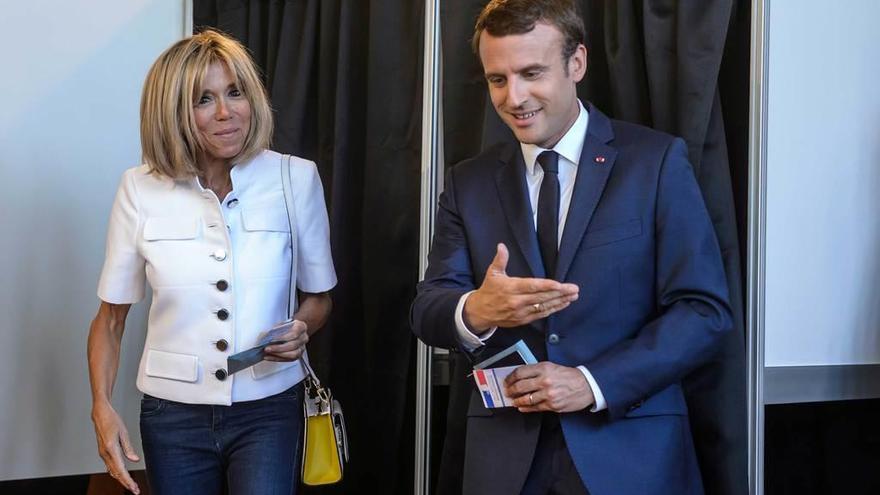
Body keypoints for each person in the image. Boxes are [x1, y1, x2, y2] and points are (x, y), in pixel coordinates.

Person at [410, 1, 733, 494]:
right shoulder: (468, 182)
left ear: (576, 64)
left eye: (531, 73)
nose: (514, 97)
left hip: (630, 454)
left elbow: (703, 311)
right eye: (498, 79)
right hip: (504, 463)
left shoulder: (656, 162)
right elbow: (428, 309)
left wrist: (590, 382)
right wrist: (475, 309)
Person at [87, 30, 336, 495]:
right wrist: (101, 407)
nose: (226, 112)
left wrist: (303, 326)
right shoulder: (139, 189)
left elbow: (318, 298)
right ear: (174, 112)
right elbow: (111, 319)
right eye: (204, 99)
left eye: (235, 92)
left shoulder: (295, 179)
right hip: (171, 415)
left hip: (269, 406)